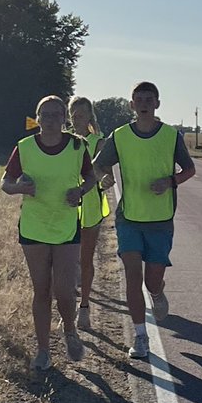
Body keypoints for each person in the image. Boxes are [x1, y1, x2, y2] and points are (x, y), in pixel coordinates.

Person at [93, 81, 196, 360]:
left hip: (161, 220)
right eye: (139, 99)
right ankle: (140, 337)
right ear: (131, 105)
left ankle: (158, 292)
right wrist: (104, 178)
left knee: (151, 281)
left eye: (149, 99)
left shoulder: (170, 136)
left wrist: (170, 181)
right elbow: (99, 164)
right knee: (132, 277)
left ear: (157, 104)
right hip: (129, 218)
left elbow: (190, 169)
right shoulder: (120, 135)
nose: (144, 104)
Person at [2, 95, 97, 371]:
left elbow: (90, 177)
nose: (52, 119)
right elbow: (6, 184)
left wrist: (80, 191)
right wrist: (21, 188)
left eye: (57, 114)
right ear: (37, 118)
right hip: (34, 227)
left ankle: (70, 331)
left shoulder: (78, 146)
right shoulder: (25, 147)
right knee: (41, 291)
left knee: (65, 291)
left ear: (64, 118)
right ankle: (43, 351)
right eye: (46, 114)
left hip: (66, 225)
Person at [70, 95, 109, 331]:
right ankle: (69, 304)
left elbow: (104, 172)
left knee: (85, 259)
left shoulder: (98, 142)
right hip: (65, 206)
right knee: (67, 261)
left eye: (81, 115)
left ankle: (84, 307)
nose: (77, 119)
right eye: (73, 115)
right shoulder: (65, 140)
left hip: (91, 206)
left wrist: (104, 178)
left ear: (89, 116)